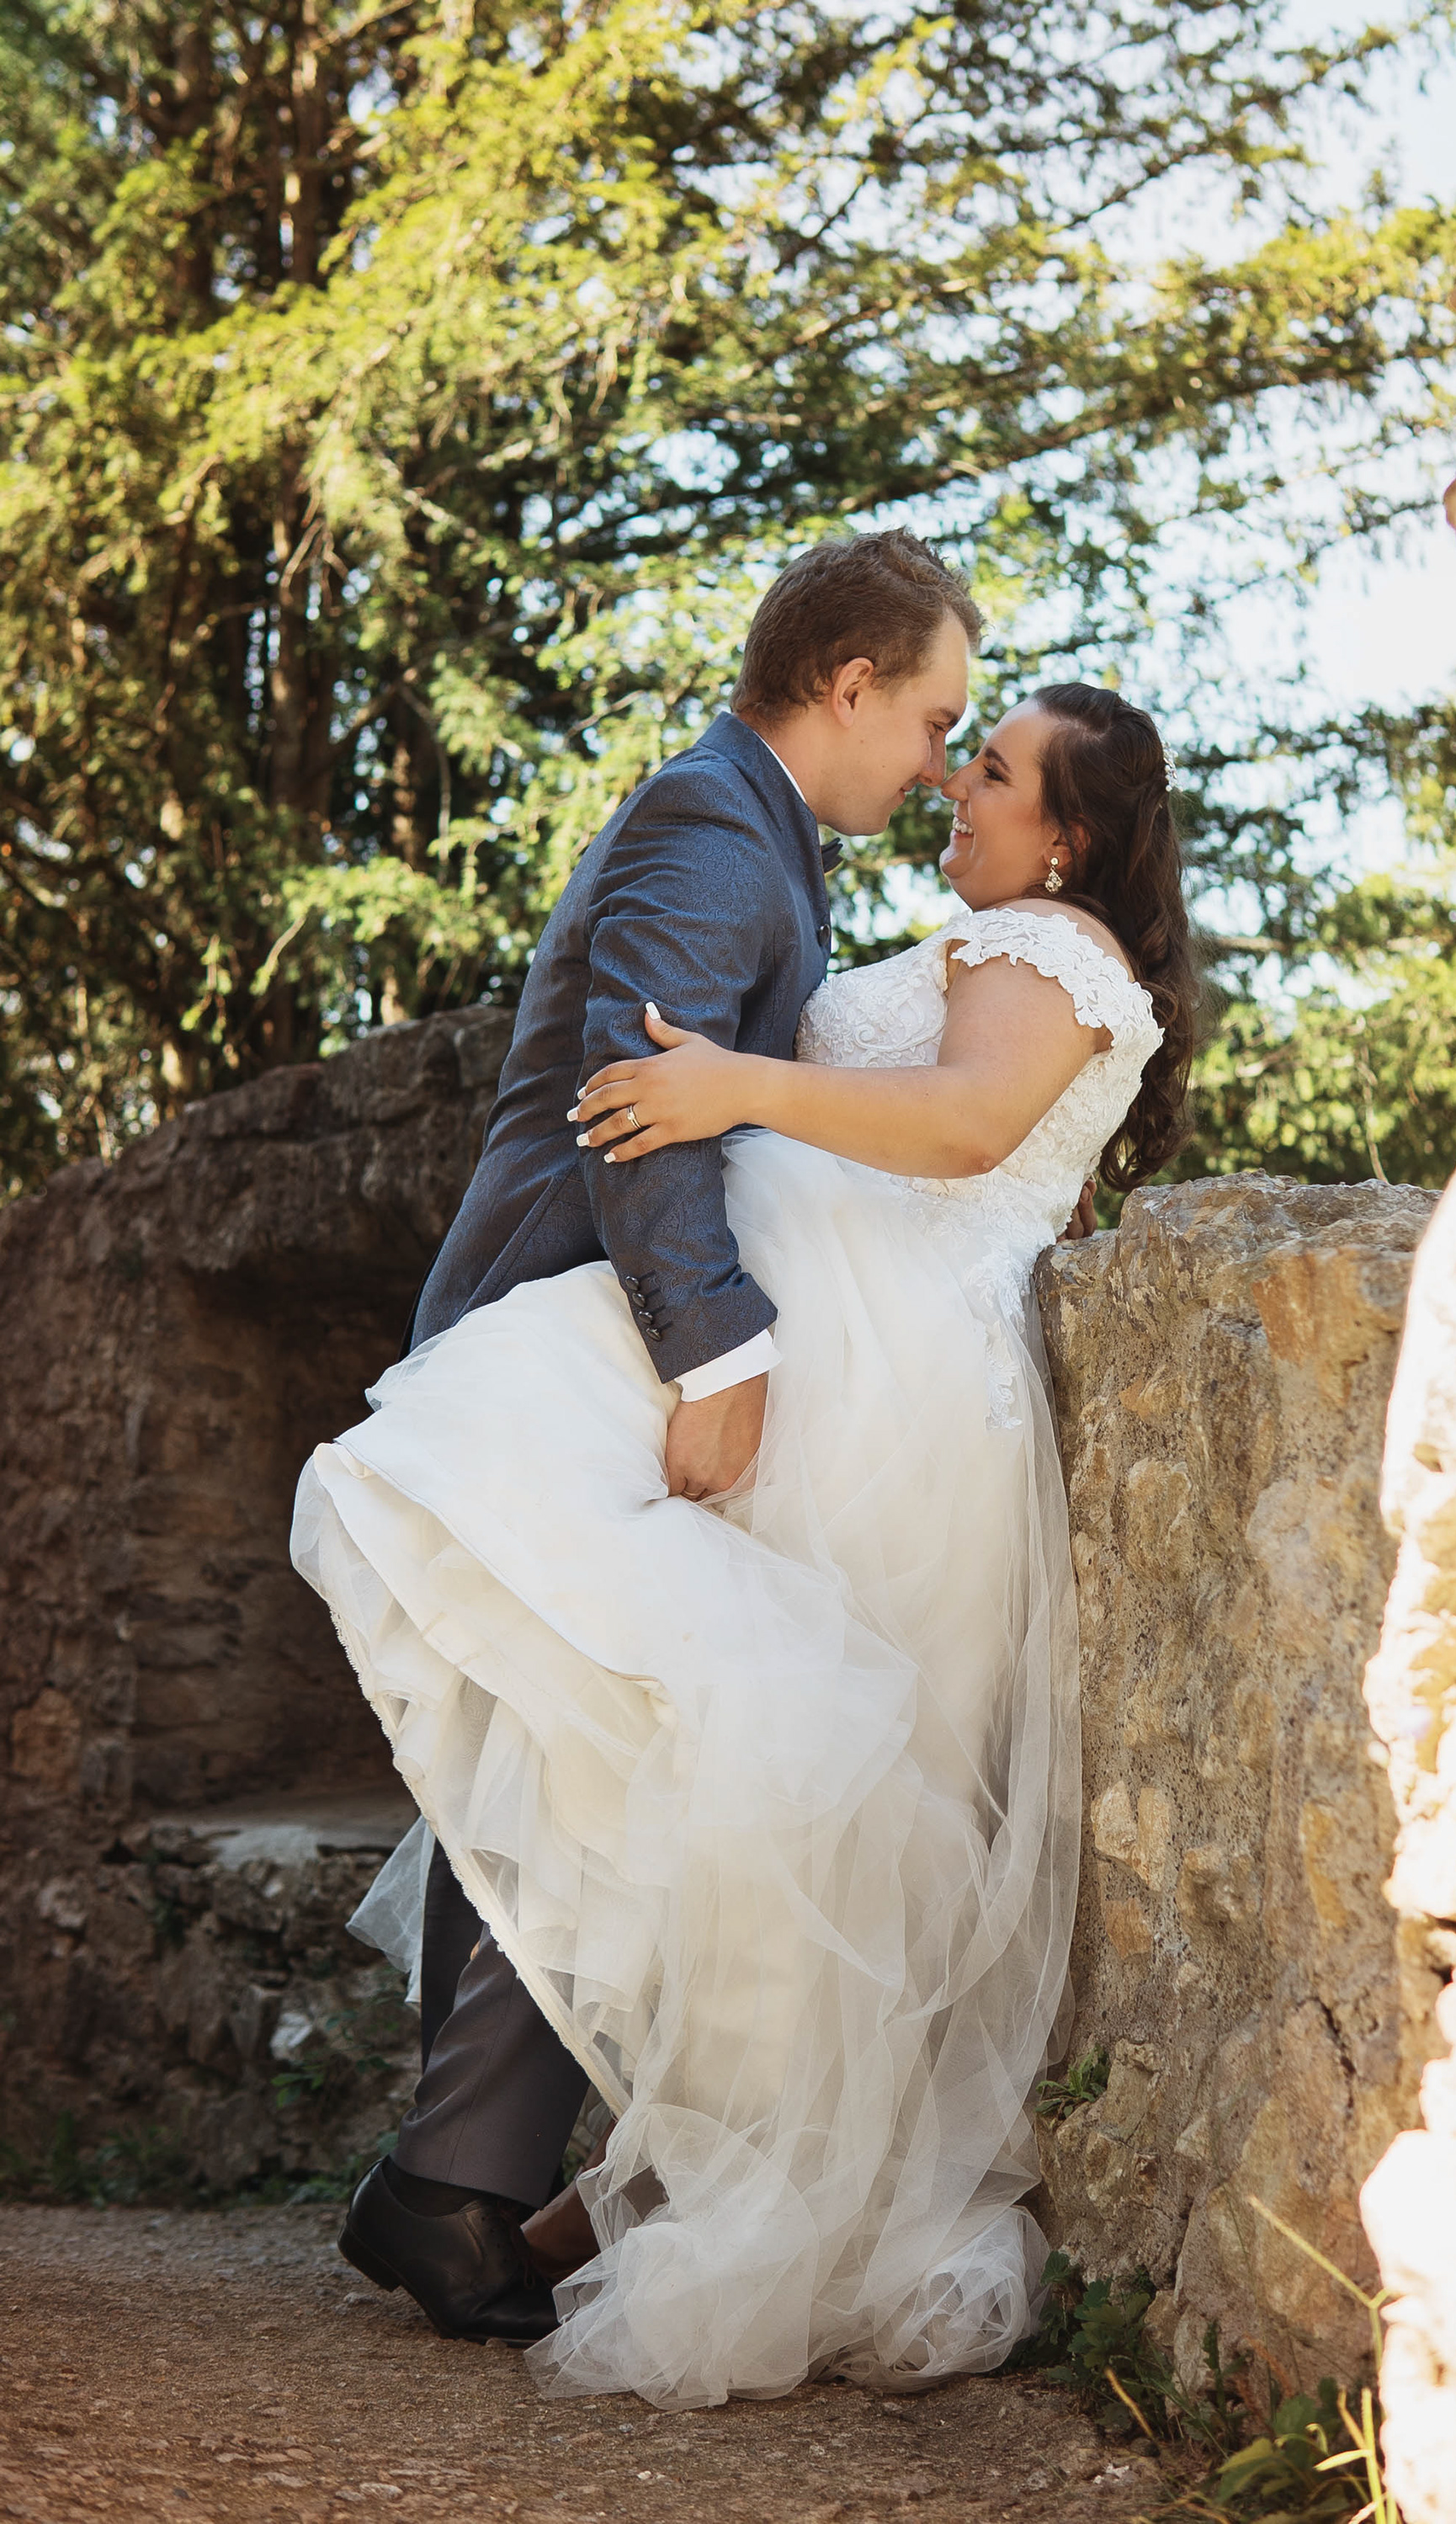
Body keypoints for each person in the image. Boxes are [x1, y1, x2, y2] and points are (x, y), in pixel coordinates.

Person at [292, 531, 1195, 2404]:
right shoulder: (727, 828)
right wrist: (714, 1344)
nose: (950, 766)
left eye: (990, 754)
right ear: (851, 688)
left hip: (863, 1391)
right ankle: (484, 2184)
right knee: (614, 1713)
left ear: (1072, 840)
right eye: (946, 722)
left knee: (654, 1728)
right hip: (714, 1335)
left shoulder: (985, 925)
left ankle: (496, 2186)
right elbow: (647, 1105)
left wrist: (753, 1135)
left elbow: (944, 1119)